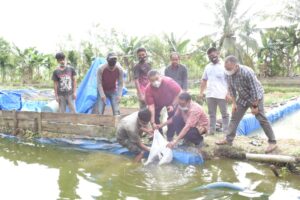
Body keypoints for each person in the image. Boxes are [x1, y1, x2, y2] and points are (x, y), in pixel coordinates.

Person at [216, 55, 277, 153]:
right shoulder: (227, 74)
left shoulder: (247, 72)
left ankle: (272, 142)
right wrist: (234, 104)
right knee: (235, 117)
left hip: (256, 97)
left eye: (229, 69)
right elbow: (231, 89)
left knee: (261, 119)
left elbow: (255, 90)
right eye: (226, 69)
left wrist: (255, 106)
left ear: (236, 66)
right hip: (243, 97)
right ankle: (228, 139)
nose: (228, 71)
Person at [145, 70, 182, 141]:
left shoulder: (169, 82)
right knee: (153, 116)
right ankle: (159, 136)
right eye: (152, 80)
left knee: (173, 115)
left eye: (157, 79)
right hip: (157, 103)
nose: (155, 82)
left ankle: (170, 136)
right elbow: (151, 107)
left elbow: (179, 92)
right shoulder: (148, 89)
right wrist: (152, 122)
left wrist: (172, 105)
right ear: (149, 81)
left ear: (160, 76)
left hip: (171, 101)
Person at [200, 47, 230, 134]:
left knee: (225, 114)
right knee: (211, 114)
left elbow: (230, 81)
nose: (212, 58)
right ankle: (211, 131)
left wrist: (228, 93)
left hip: (222, 94)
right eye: (209, 57)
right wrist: (201, 92)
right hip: (210, 94)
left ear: (218, 54)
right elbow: (204, 80)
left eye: (213, 55)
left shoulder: (225, 65)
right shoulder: (207, 67)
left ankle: (226, 132)